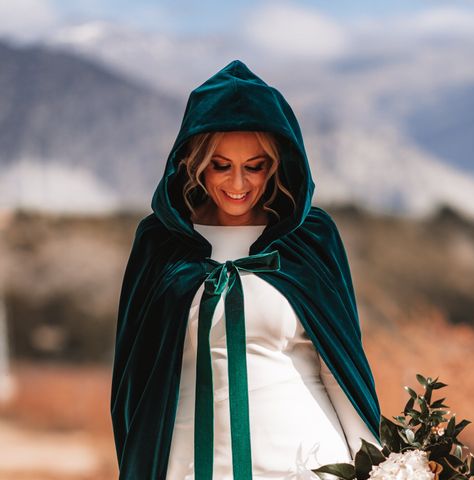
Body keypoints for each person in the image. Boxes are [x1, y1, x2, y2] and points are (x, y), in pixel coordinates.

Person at [110, 59, 382, 480]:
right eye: (221, 165)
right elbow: (135, 375)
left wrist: (382, 466)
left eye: (254, 166)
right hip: (190, 466)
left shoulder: (309, 239)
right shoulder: (160, 242)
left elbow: (340, 366)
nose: (238, 185)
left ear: (276, 164)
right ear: (195, 161)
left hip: (307, 463)